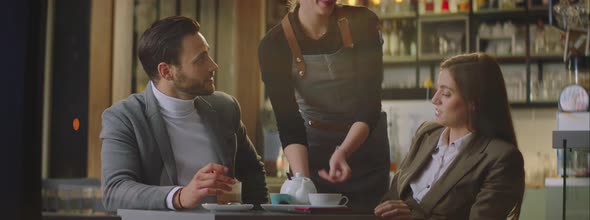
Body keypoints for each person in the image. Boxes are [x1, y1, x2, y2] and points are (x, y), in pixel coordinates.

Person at [100, 16, 268, 211]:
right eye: (200, 59)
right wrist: (179, 196)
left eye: (208, 55)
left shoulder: (225, 107)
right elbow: (115, 191)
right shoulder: (124, 117)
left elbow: (253, 172)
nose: (213, 66)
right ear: (166, 72)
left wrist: (258, 213)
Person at [258, 0, 389, 209]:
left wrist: (344, 151)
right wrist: (302, 181)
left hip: (365, 146)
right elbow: (288, 121)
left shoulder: (362, 22)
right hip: (312, 151)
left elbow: (369, 104)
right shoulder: (274, 44)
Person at [374, 53, 525, 220]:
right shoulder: (426, 133)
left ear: (473, 102)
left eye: (446, 94)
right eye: (437, 89)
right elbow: (392, 195)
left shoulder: (501, 159)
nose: (434, 99)